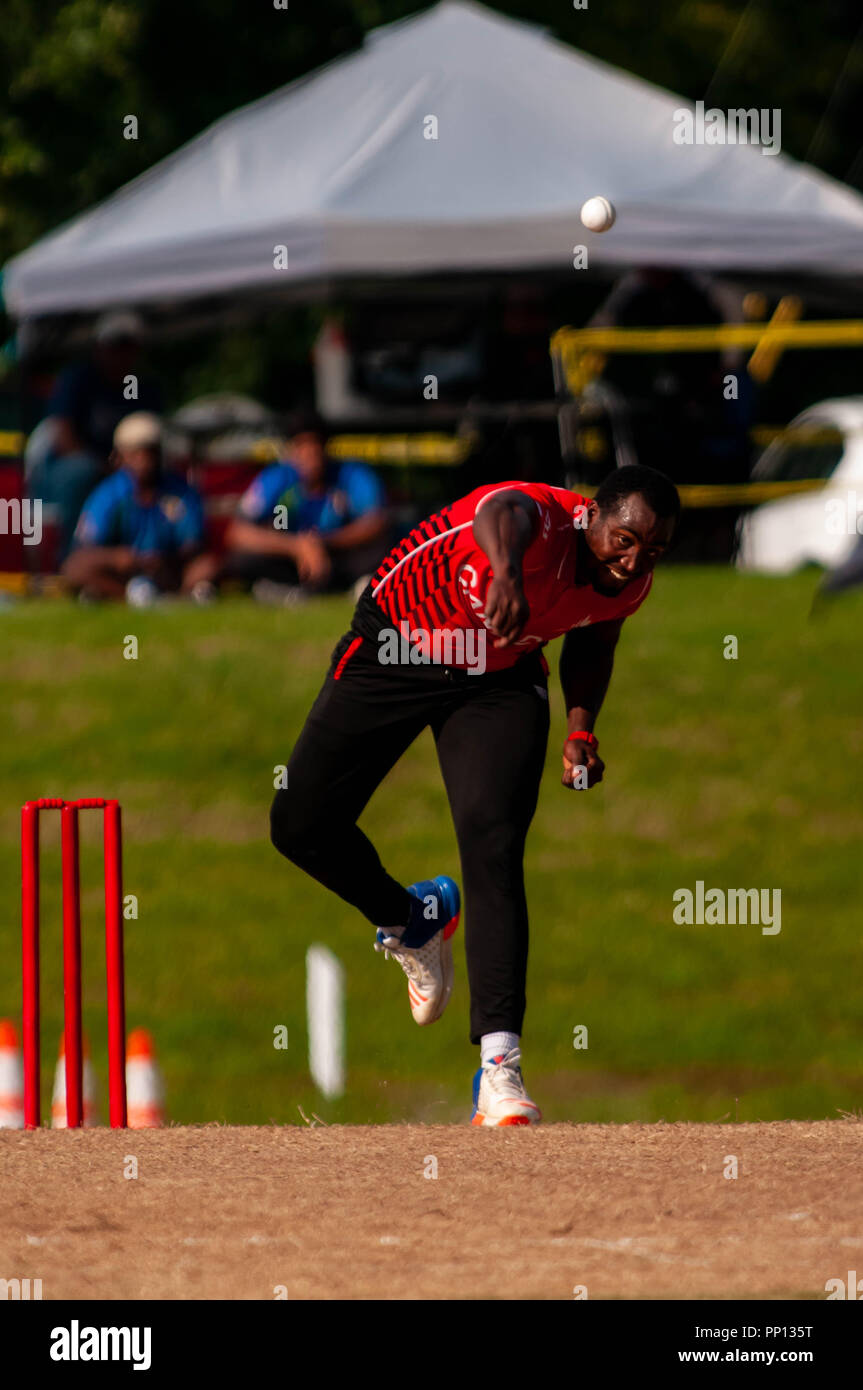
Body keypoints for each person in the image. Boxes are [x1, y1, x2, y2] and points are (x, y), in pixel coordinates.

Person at [270, 463, 679, 1125]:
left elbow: (594, 640)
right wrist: (510, 576)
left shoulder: (629, 583)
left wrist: (581, 730)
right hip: (398, 646)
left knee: (492, 844)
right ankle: (412, 919)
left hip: (499, 678)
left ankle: (499, 1070)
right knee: (299, 826)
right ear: (592, 517)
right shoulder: (540, 521)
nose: (631, 562)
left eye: (651, 552)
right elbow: (500, 510)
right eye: (623, 540)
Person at [195, 408, 389, 601]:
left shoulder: (351, 474)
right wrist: (296, 547)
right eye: (301, 447)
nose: (309, 455)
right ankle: (282, 587)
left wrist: (322, 543)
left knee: (382, 551)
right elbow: (238, 533)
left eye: (315, 446)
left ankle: (355, 584)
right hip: (290, 558)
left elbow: (375, 522)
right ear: (291, 450)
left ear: (326, 448)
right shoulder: (277, 477)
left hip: (338, 554)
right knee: (242, 558)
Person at [28, 311, 162, 555]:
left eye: (126, 347)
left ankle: (151, 554)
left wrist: (131, 464)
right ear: (99, 347)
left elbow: (150, 434)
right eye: (114, 346)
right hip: (74, 466)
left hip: (126, 466)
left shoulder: (139, 387)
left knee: (158, 477)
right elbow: (63, 436)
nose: (119, 354)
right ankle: (71, 557)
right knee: (83, 473)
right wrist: (105, 466)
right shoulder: (77, 380)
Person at [62, 412, 207, 603]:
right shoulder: (108, 494)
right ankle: (126, 596)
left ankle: (176, 596)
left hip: (167, 570)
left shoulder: (181, 492)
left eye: (149, 452)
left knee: (207, 566)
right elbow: (85, 547)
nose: (143, 461)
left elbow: (192, 543)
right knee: (75, 568)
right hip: (123, 572)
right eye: (135, 453)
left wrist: (165, 560)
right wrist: (116, 557)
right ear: (120, 457)